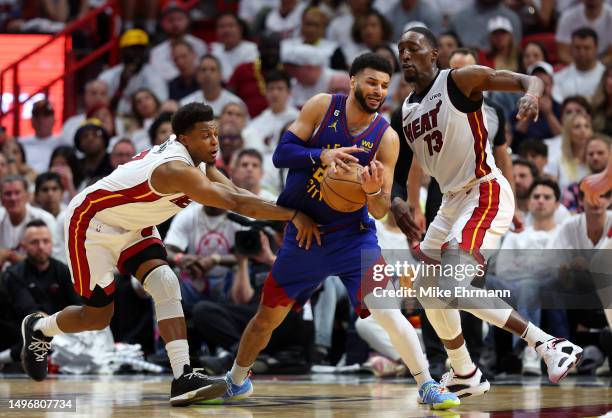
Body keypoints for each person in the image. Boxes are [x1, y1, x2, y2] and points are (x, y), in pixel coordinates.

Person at [18, 102, 320, 406]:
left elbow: (239, 195)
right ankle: (40, 328)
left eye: (215, 134)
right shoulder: (176, 170)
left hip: (134, 224)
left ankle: (183, 377)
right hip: (92, 224)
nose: (214, 142)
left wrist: (286, 213)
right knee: (97, 317)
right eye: (206, 136)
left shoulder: (199, 160)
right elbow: (236, 203)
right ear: (184, 139)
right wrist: (292, 214)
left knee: (165, 281)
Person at [218, 53, 461, 410]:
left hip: (354, 237)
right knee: (266, 318)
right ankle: (237, 380)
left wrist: (371, 190)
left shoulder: (387, 138)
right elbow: (281, 154)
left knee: (388, 311)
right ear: (352, 81)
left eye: (383, 84)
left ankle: (426, 384)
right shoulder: (322, 107)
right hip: (305, 236)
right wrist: (323, 156)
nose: (378, 90)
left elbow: (379, 210)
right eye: (371, 82)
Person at [393, 27, 582, 397]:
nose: (405, 55)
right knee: (429, 290)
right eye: (400, 49)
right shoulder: (407, 110)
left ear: (434, 54)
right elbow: (401, 173)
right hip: (449, 202)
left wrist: (530, 94)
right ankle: (464, 371)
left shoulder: (460, 80)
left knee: (452, 284)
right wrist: (399, 200)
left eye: (413, 48)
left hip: (484, 192)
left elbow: (528, 79)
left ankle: (548, 344)